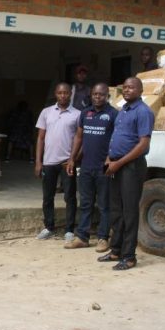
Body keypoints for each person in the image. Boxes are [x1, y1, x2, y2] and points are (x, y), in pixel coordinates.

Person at [98, 77, 154, 270]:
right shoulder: (123, 110)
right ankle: (116, 251)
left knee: (129, 212)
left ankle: (129, 257)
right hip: (115, 164)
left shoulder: (143, 112)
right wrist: (108, 159)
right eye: (125, 88)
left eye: (132, 88)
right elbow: (116, 138)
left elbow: (143, 144)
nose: (127, 90)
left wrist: (119, 162)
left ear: (140, 90)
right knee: (116, 210)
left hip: (131, 166)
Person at [64, 83, 119, 251]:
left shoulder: (113, 114)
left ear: (107, 96)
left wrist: (111, 158)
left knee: (104, 205)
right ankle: (82, 237)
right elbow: (79, 137)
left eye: (101, 94)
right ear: (91, 95)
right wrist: (72, 159)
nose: (97, 97)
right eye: (95, 94)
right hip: (86, 166)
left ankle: (103, 238)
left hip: (104, 167)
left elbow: (117, 139)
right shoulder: (85, 113)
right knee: (86, 203)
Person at [34, 83, 80, 241]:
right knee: (47, 197)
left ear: (70, 94)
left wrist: (73, 159)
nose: (63, 95)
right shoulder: (46, 112)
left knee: (70, 196)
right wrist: (38, 162)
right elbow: (40, 138)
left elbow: (80, 140)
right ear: (55, 94)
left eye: (66, 93)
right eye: (60, 93)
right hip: (48, 162)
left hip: (67, 163)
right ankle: (48, 227)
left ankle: (69, 230)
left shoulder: (77, 114)